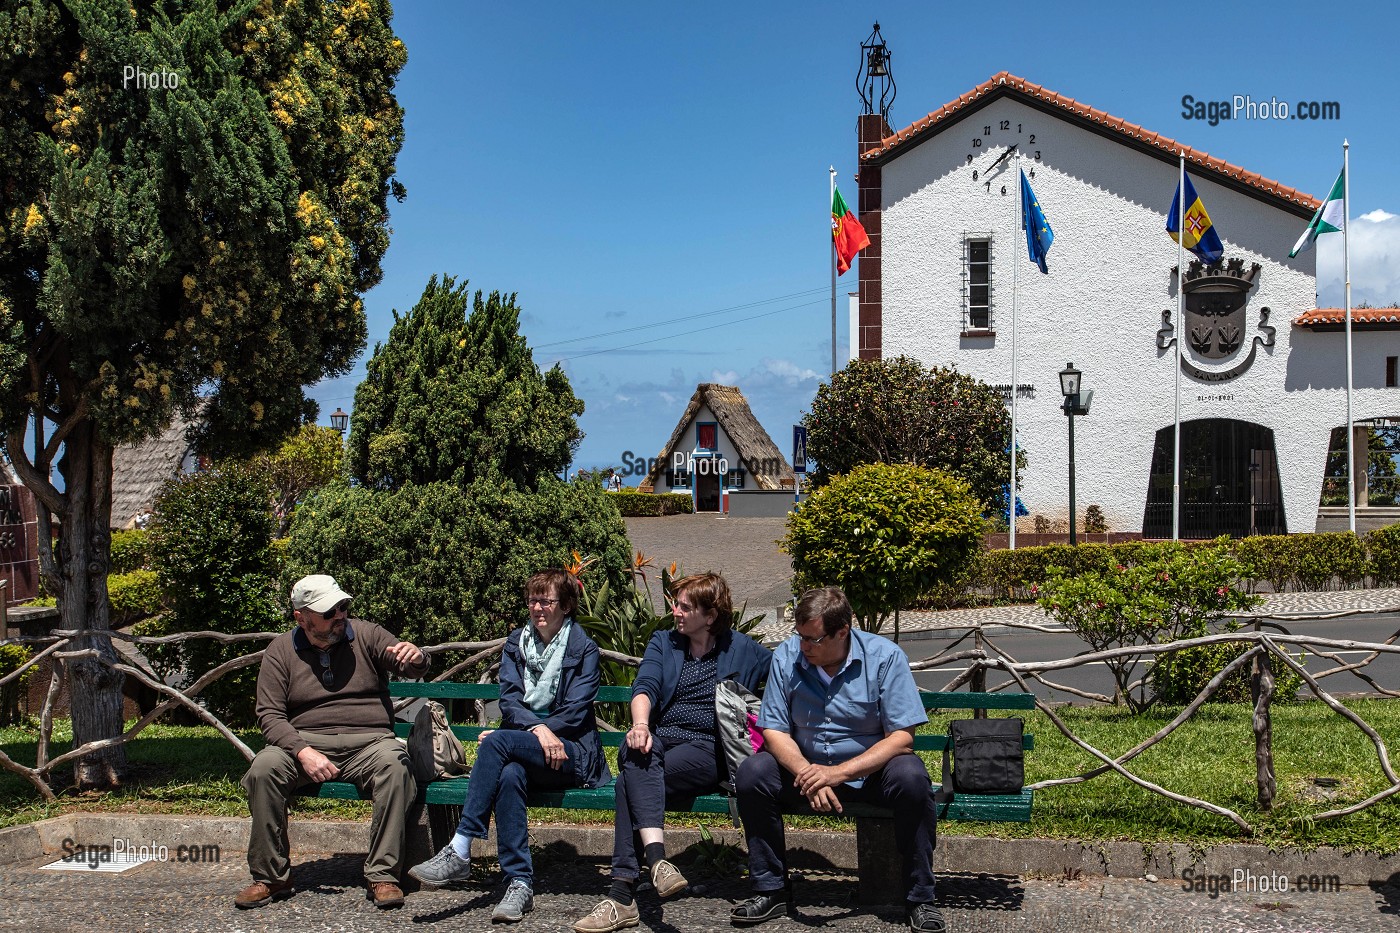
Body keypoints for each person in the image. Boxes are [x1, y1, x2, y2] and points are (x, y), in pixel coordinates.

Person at [732, 586, 944, 933]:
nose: (803, 647)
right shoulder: (788, 656)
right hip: (806, 771)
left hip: (868, 774)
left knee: (912, 778)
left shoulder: (884, 657)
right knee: (753, 773)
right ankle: (770, 889)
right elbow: (773, 731)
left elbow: (903, 737)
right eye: (799, 636)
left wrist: (837, 773)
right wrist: (808, 773)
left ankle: (920, 897)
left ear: (842, 632)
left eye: (812, 639)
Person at [408, 568, 610, 923]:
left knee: (498, 742)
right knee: (510, 774)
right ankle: (519, 883)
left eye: (545, 601)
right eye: (532, 600)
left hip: (572, 755)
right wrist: (537, 731)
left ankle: (460, 847)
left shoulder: (583, 648)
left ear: (564, 605)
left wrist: (539, 732)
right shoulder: (518, 643)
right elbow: (509, 701)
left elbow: (577, 710)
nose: (537, 608)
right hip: (529, 750)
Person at [573, 572, 772, 933]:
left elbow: (787, 672)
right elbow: (645, 685)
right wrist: (641, 726)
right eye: (675, 603)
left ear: (709, 616)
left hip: (708, 749)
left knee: (628, 784)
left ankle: (622, 895)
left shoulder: (742, 649)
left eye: (684, 606)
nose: (675, 611)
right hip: (662, 739)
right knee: (635, 754)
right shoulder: (664, 642)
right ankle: (656, 866)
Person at [237, 574, 429, 910]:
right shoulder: (280, 651)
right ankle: (272, 877)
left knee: (396, 768)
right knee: (263, 769)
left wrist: (415, 657)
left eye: (342, 607)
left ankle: (382, 874)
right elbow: (269, 715)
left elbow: (406, 663)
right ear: (301, 617)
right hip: (305, 742)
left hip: (369, 742)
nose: (339, 615)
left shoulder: (366, 634)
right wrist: (302, 751)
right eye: (329, 612)